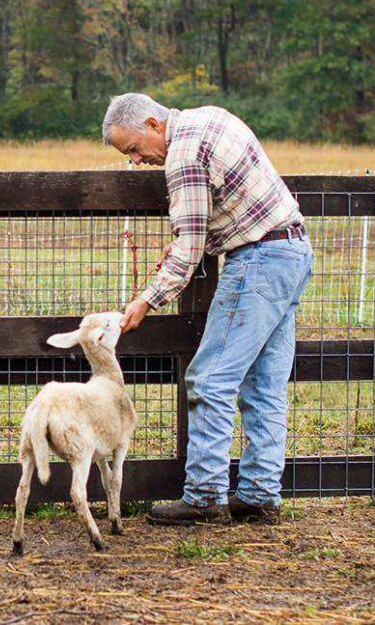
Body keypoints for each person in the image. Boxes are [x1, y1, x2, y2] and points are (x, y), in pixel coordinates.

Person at [102, 93, 313, 526]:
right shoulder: (210, 119)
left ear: (152, 124)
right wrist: (191, 242)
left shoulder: (182, 154)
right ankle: (259, 494)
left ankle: (204, 496)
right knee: (264, 385)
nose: (138, 161)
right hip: (292, 252)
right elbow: (223, 211)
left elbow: (190, 243)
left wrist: (146, 299)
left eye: (134, 149)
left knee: (210, 380)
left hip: (259, 261)